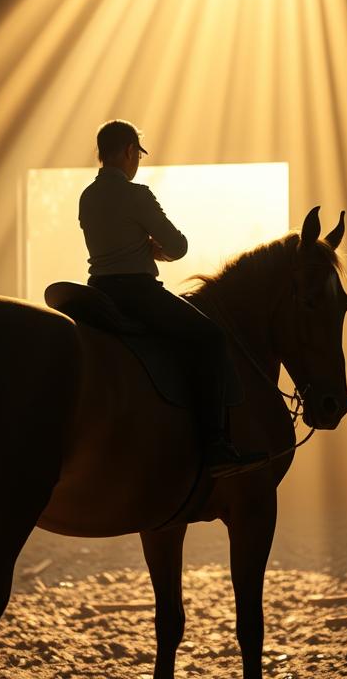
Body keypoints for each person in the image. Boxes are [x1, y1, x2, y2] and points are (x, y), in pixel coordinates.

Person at [78, 119, 266, 477]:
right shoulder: (137, 195)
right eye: (137, 155)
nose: (137, 163)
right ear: (130, 151)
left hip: (99, 291)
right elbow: (177, 246)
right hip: (138, 292)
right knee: (211, 338)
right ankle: (215, 445)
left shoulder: (88, 197)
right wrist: (154, 250)